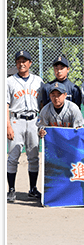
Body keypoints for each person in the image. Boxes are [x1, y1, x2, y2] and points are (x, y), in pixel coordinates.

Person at [7, 50, 44, 202]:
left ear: (30, 63)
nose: (21, 63)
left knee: (34, 156)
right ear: (16, 64)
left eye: (24, 60)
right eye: (19, 61)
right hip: (16, 120)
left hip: (34, 120)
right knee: (13, 157)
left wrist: (42, 123)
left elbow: (42, 104)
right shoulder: (9, 81)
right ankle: (11, 189)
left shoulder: (38, 81)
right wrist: (7, 125)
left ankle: (33, 189)